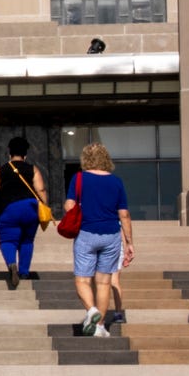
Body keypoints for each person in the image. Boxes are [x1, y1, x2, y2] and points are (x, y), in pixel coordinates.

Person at [64, 141, 134, 336]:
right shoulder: (116, 182)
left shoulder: (79, 178)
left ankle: (92, 310)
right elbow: (124, 214)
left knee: (82, 281)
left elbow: (69, 206)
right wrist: (129, 243)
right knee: (104, 283)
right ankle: (100, 326)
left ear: (85, 159)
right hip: (111, 235)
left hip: (86, 233)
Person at [0, 137, 51, 287]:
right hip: (30, 208)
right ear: (25, 154)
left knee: (8, 240)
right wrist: (44, 206)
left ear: (9, 153)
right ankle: (24, 272)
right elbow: (41, 189)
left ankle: (11, 264)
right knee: (27, 241)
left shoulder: (1, 169)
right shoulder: (33, 169)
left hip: (8, 209)